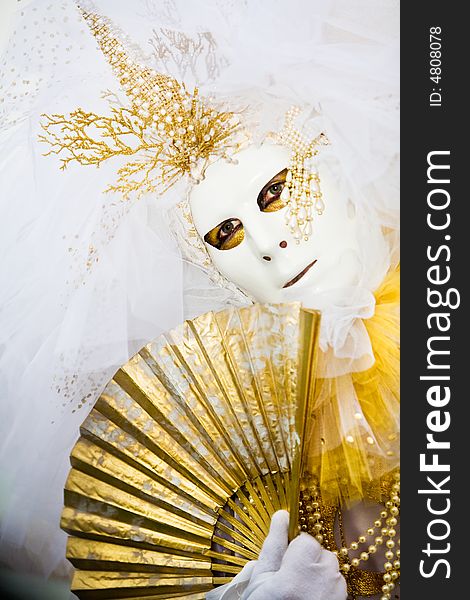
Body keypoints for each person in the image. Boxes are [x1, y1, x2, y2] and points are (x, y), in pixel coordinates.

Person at [0, 1, 399, 598]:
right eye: (226, 233)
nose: (267, 243)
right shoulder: (258, 430)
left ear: (330, 156)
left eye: (274, 191)